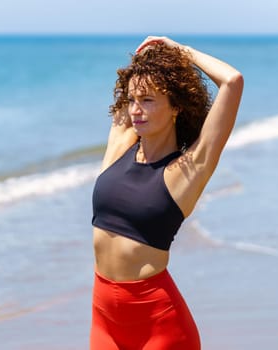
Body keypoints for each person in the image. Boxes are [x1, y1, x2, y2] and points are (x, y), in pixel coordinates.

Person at [91, 36, 244, 349]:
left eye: (148, 100)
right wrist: (145, 61)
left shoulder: (187, 170)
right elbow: (131, 84)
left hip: (159, 326)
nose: (136, 110)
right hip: (104, 319)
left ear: (175, 107)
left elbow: (232, 81)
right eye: (132, 100)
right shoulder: (120, 146)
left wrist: (180, 51)